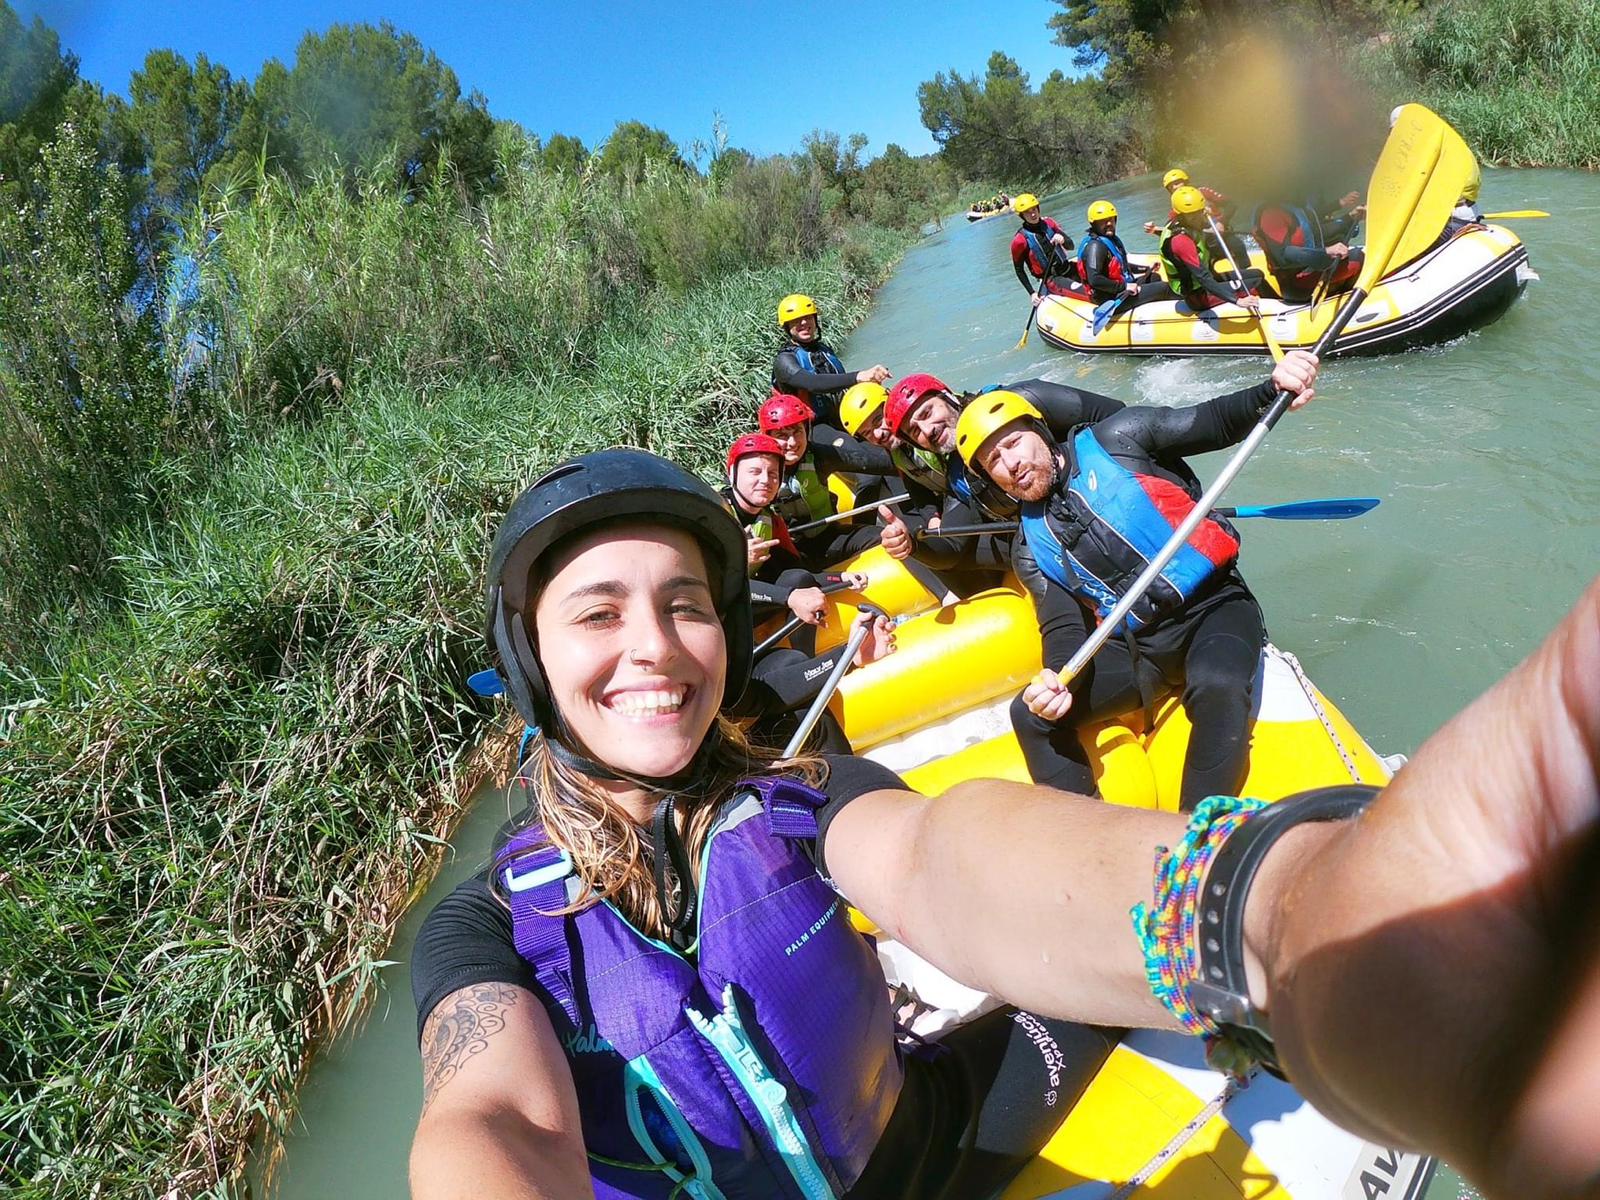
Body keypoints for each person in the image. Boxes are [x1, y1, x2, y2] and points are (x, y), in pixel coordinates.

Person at [411, 445, 1600, 1200]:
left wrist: (1283, 908)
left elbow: (944, 861)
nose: (656, 647)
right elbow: (496, 1118)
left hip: (928, 1140)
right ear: (530, 662)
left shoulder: (802, 796)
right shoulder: (484, 932)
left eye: (683, 605)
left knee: (1076, 994)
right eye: (598, 614)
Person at [953, 352, 1322, 811]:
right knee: (1028, 716)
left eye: (1015, 442)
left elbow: (1213, 421)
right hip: (1139, 647)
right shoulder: (1029, 544)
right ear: (991, 480)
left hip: (1213, 608)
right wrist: (1057, 678)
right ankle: (1091, 829)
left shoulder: (1118, 437)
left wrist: (1272, 390)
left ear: (1040, 433)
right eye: (994, 460)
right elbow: (1062, 624)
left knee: (1217, 685)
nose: (1012, 462)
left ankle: (1192, 829)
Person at [721, 432, 892, 750]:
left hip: (753, 621)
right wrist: (744, 568)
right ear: (731, 474)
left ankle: (807, 666)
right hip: (724, 628)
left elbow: (794, 574)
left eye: (773, 474)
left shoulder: (770, 521)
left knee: (797, 579)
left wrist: (840, 579)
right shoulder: (717, 518)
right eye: (755, 472)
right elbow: (710, 585)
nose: (765, 480)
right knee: (792, 588)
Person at [758, 391, 900, 568]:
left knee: (887, 538)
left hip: (829, 537)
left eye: (797, 432)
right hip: (788, 553)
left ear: (807, 430)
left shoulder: (820, 456)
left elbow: (877, 464)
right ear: (767, 437)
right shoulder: (757, 470)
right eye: (782, 436)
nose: (793, 442)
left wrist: (915, 459)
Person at [771, 293, 890, 431]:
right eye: (796, 320)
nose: (804, 323)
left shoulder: (823, 350)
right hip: (813, 428)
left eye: (808, 317)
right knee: (860, 452)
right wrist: (859, 376)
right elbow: (812, 383)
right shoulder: (784, 361)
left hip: (841, 415)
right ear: (787, 327)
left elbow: (840, 383)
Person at [1160, 186, 1275, 313]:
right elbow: (1203, 277)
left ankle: (1277, 303)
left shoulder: (1185, 222)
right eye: (1191, 215)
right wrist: (1237, 300)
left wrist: (1216, 219)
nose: (1196, 217)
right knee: (1257, 283)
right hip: (1198, 295)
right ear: (1180, 214)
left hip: (1203, 283)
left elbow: (1203, 227)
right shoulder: (1181, 240)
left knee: (1257, 273)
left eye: (1198, 212)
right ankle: (1279, 313)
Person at [1252, 196, 1365, 302]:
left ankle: (1341, 293)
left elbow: (1317, 233)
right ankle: (1345, 297)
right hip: (1297, 283)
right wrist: (1326, 252)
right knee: (1357, 257)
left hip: (1312, 270)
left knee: (1353, 254)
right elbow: (1283, 254)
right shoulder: (1271, 214)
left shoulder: (1295, 205)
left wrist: (1349, 217)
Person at [1076, 199, 1168, 312]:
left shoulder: (1109, 240)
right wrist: (1125, 287)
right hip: (1112, 299)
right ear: (1094, 224)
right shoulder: (1095, 246)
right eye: (1103, 221)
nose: (1109, 223)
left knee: (1154, 277)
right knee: (1164, 288)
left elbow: (1121, 265)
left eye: (1111, 219)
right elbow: (1094, 279)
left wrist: (1146, 268)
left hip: (1121, 290)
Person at [1009, 192, 1084, 303]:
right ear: (1022, 216)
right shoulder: (1019, 241)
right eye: (1027, 213)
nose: (1033, 214)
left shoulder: (1050, 224)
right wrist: (1032, 293)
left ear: (1038, 209)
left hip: (1067, 268)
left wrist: (1063, 240)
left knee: (1096, 274)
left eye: (1034, 210)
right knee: (1083, 291)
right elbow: (1019, 271)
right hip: (1052, 279)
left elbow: (1071, 245)